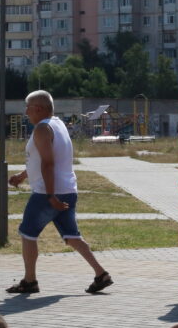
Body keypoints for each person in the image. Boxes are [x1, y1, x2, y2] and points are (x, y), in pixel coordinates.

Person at [6, 90, 112, 295]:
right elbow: (40, 160)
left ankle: (29, 281)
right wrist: (22, 176)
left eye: (27, 107)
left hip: (48, 193)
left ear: (38, 109)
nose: (26, 112)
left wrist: (50, 196)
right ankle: (101, 274)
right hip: (69, 190)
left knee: (28, 234)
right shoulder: (58, 124)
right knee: (72, 236)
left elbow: (48, 164)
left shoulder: (42, 129)